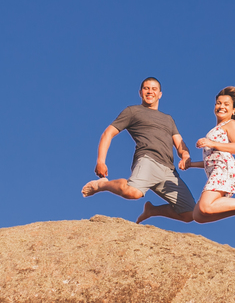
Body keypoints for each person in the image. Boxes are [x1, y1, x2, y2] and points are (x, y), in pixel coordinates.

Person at [137, 84, 235, 226]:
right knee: (198, 215)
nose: (221, 106)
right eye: (218, 103)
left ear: (234, 110)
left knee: (204, 206)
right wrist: (192, 164)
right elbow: (212, 160)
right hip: (217, 169)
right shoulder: (217, 128)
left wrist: (211, 143)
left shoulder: (231, 124)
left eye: (226, 104)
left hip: (225, 171)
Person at [81, 78, 197, 216]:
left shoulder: (168, 119)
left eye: (154, 89)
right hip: (148, 159)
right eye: (146, 88)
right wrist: (100, 161)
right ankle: (101, 185)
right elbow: (108, 133)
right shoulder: (133, 111)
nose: (150, 92)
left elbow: (179, 143)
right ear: (140, 92)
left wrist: (185, 156)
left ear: (160, 94)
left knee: (190, 212)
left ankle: (152, 210)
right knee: (133, 192)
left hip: (169, 171)